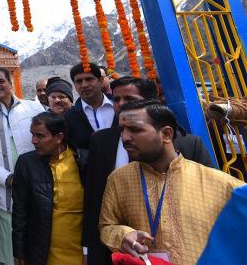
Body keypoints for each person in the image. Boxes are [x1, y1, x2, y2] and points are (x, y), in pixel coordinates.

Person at [83, 76, 214, 265]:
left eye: (129, 99)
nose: (120, 105)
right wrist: (92, 247)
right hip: (120, 253)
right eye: (116, 99)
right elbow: (94, 198)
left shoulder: (188, 144)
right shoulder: (100, 141)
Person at [99, 100, 244, 265]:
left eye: (135, 130)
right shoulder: (118, 179)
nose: (125, 137)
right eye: (122, 130)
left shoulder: (222, 185)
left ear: (166, 134)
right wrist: (123, 235)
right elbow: (107, 225)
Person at [0, 67, 45, 265]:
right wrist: (6, 178)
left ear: (10, 83)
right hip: (5, 192)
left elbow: (47, 142)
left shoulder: (33, 109)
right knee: (10, 253)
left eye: (1, 81)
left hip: (37, 189)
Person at [12, 111, 87, 265]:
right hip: (43, 250)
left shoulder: (84, 160)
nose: (33, 141)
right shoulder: (26, 163)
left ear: (59, 137)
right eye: (32, 135)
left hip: (80, 250)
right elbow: (20, 211)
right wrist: (19, 250)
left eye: (40, 136)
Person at [64, 62, 116, 149]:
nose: (84, 85)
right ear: (75, 86)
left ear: (100, 81)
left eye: (89, 79)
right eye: (79, 81)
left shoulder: (119, 106)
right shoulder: (69, 117)